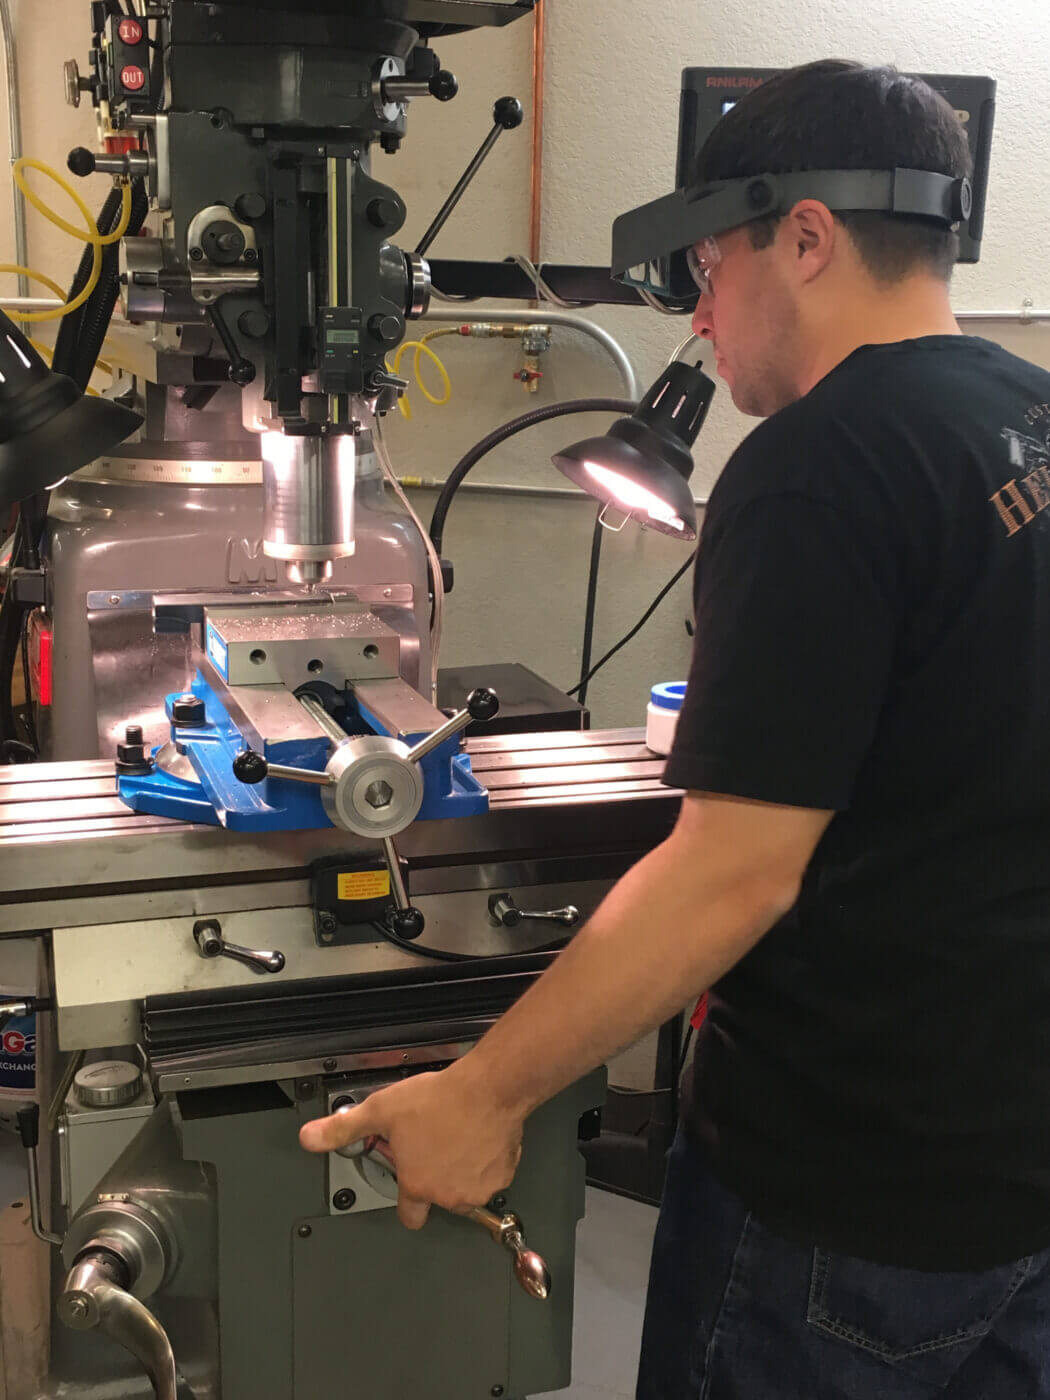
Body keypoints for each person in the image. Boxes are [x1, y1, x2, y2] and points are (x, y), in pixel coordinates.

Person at [301, 60, 1050, 1398]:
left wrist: (482, 1097)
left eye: (710, 264)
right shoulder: (1026, 416)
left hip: (846, 1200)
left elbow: (734, 873)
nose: (699, 316)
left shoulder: (824, 462)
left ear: (803, 237)